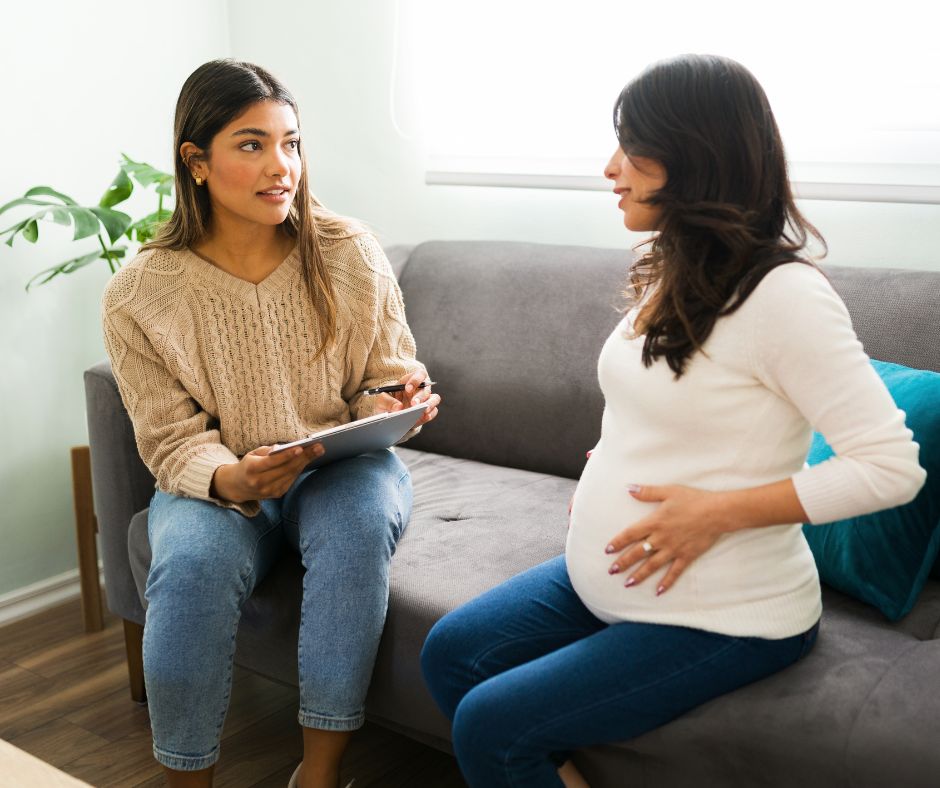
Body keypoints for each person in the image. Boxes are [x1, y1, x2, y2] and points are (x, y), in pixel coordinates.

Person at [419, 54, 925, 787]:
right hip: (615, 579)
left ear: (695, 158)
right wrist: (608, 461)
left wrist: (714, 514)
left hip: (730, 616)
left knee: (491, 724)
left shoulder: (784, 297)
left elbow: (890, 467)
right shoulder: (675, 265)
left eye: (632, 148)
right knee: (450, 652)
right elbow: (658, 399)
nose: (609, 168)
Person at [101, 59, 440, 788]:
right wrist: (229, 477)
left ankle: (317, 776)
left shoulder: (349, 252)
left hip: (344, 467)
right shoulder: (140, 292)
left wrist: (392, 403)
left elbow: (386, 372)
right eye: (252, 145)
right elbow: (167, 440)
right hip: (223, 480)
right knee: (191, 563)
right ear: (196, 161)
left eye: (290, 143)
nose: (280, 166)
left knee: (355, 533)